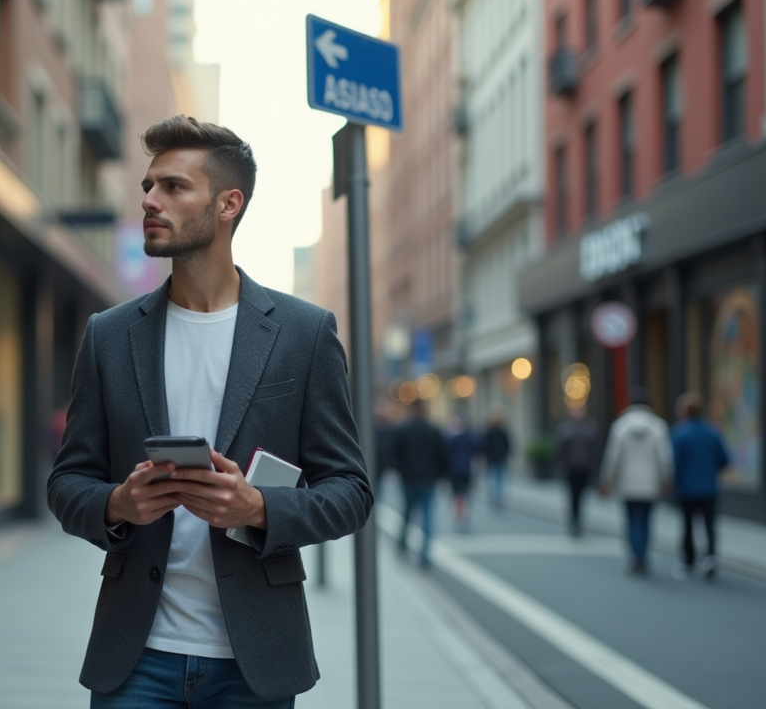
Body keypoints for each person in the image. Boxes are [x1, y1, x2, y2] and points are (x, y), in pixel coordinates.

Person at [47, 116, 373, 708]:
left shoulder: (304, 334)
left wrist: (259, 506)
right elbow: (66, 483)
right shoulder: (109, 336)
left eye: (173, 187)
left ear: (228, 203)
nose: (149, 200)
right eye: (148, 186)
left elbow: (351, 491)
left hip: (255, 661)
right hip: (136, 657)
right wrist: (118, 504)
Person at [599, 387, 673, 575]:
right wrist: (666, 478)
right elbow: (665, 457)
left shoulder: (621, 426)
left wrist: (607, 479)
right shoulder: (658, 426)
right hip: (649, 483)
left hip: (627, 483)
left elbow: (612, 457)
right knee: (646, 521)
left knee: (631, 521)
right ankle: (643, 556)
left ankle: (634, 555)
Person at [670, 392, 731, 580]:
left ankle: (689, 560)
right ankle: (710, 557)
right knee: (709, 525)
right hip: (708, 487)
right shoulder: (712, 431)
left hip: (687, 488)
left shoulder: (680, 433)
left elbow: (674, 462)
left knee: (687, 525)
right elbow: (724, 459)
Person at [392, 400, 448, 567]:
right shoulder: (434, 430)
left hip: (408, 478)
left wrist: (400, 471)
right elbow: (443, 455)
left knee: (408, 513)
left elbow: (394, 453)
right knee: (427, 517)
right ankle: (424, 556)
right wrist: (442, 475)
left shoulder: (403, 429)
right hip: (428, 480)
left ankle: (402, 544)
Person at [554, 403, 601, 536]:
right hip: (570, 468)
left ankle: (578, 521)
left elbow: (596, 448)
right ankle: (573, 521)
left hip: (585, 468)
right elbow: (559, 448)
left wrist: (593, 464)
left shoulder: (590, 427)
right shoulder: (565, 428)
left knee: (582, 496)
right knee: (572, 496)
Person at [444, 415, 476, 531]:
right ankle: (464, 516)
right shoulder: (470, 437)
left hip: (455, 471)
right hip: (465, 470)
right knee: (464, 495)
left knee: (457, 495)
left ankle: (459, 517)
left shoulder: (449, 438)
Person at [480, 407, 511, 508]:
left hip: (492, 458)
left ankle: (495, 496)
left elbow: (484, 445)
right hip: (499, 457)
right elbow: (508, 444)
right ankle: (498, 496)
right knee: (499, 478)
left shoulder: (489, 431)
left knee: (493, 478)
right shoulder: (502, 431)